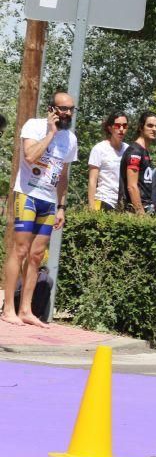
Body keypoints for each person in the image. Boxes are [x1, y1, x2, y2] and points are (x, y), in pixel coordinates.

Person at [2, 92, 78, 327]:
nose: (66, 113)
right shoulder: (34, 126)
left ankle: (26, 309)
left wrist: (62, 206)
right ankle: (8, 309)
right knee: (20, 250)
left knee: (36, 256)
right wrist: (51, 132)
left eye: (70, 110)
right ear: (51, 109)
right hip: (27, 195)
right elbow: (30, 156)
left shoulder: (71, 139)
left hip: (48, 201)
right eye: (62, 109)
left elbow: (63, 176)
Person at [119, 111, 156, 214]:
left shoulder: (144, 150)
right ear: (141, 127)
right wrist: (140, 212)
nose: (154, 129)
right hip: (134, 212)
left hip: (146, 208)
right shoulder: (135, 152)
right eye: (150, 126)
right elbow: (132, 186)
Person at [87, 112, 129, 211]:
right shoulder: (99, 148)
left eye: (124, 126)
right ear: (110, 128)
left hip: (122, 203)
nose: (121, 129)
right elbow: (92, 180)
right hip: (103, 200)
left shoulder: (128, 149)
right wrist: (91, 206)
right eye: (117, 126)